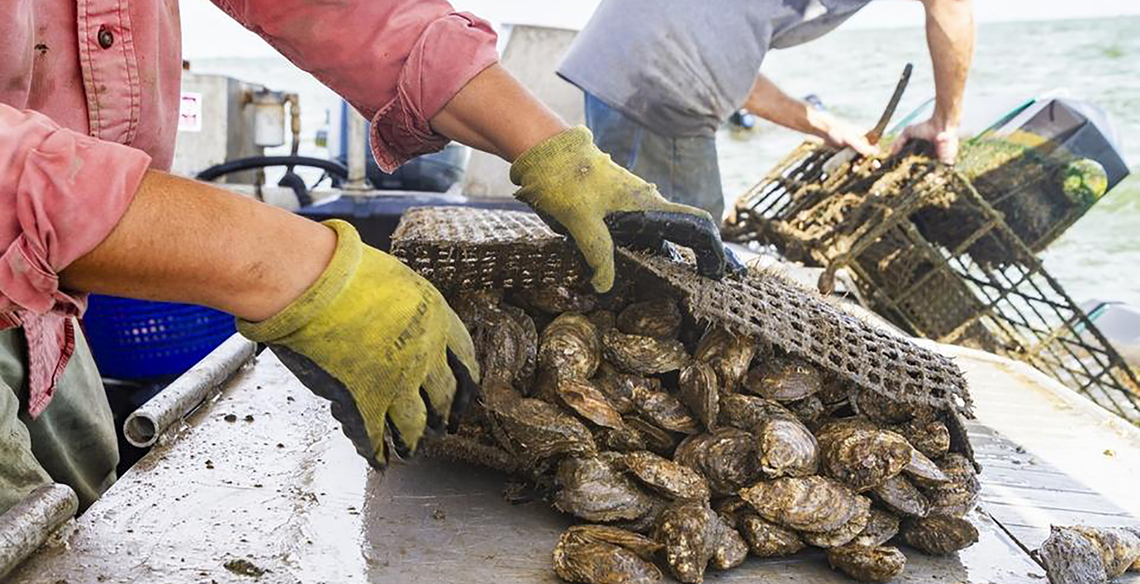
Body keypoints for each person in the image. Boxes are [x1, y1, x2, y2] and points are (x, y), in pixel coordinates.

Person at [0, 1, 727, 514]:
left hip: (50, 314)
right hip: (32, 250)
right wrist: (284, 265)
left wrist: (549, 147)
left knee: (87, 529)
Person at [558, 0, 976, 223]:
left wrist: (821, 123)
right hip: (664, 82)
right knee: (683, 256)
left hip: (616, 63)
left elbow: (723, 59)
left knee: (625, 228)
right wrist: (944, 123)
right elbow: (951, 6)